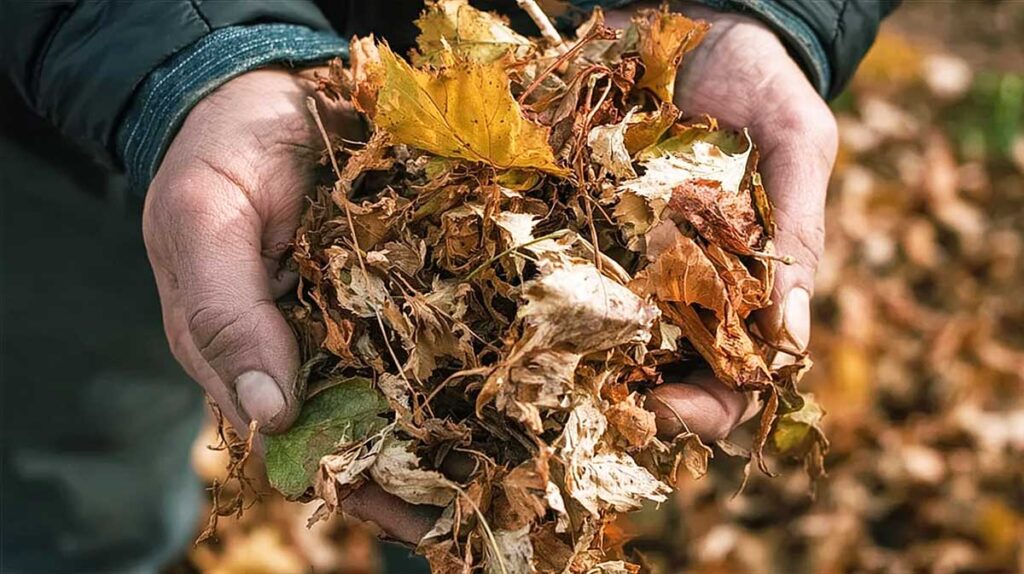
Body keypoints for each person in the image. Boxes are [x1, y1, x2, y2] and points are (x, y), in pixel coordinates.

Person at [0, 0, 899, 571]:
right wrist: (190, 56)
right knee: (75, 502)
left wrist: (765, 9)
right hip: (95, 109)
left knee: (486, 517)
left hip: (577, 50)